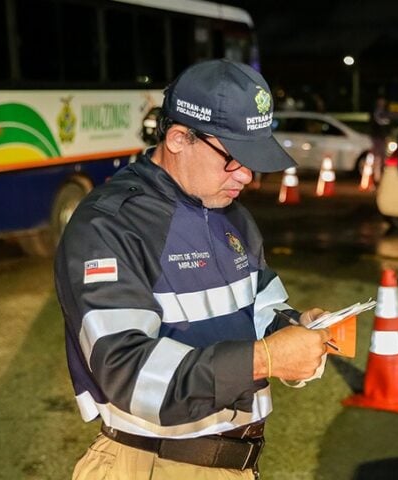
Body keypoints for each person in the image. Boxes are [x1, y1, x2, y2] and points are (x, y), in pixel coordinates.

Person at [54, 59, 332, 480]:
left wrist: (295, 328)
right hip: (153, 464)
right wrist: (265, 359)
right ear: (180, 137)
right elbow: (127, 372)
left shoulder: (231, 214)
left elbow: (259, 308)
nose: (246, 176)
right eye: (233, 157)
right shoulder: (110, 224)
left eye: (253, 160)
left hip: (235, 466)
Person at [369, 96, 394, 183]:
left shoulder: (386, 112)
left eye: (383, 101)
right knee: (377, 158)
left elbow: (389, 123)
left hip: (383, 137)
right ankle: (376, 177)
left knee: (384, 157)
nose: (382, 103)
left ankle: (382, 177)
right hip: (377, 137)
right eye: (380, 101)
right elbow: (379, 121)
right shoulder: (375, 112)